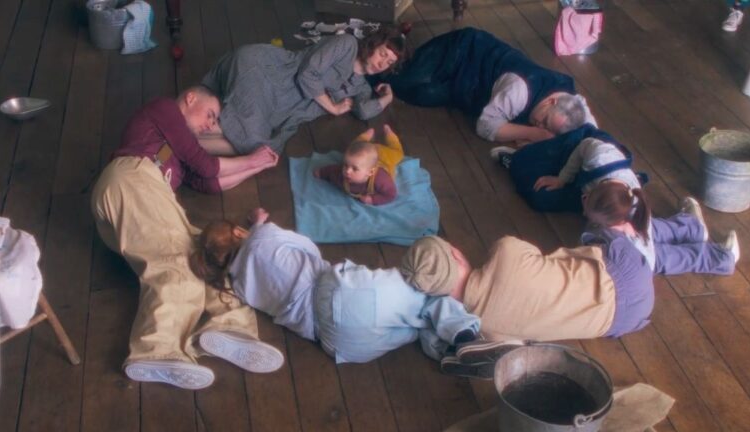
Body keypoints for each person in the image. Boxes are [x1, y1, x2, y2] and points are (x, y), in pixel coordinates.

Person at [398, 197, 739, 377]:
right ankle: (691, 230)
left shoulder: (486, 327)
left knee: (640, 260)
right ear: (456, 253)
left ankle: (708, 251)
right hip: (625, 278)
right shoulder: (504, 253)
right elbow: (531, 252)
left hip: (623, 322)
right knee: (610, 232)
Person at [91, 86, 284, 391]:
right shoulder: (164, 109)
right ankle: (157, 348)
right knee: (174, 262)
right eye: (211, 115)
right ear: (191, 98)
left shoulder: (180, 154)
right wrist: (250, 159)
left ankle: (232, 326)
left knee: (207, 254)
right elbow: (206, 165)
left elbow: (209, 182)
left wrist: (255, 166)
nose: (210, 125)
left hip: (149, 199)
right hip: (131, 180)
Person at [189, 208, 481, 364]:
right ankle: (465, 332)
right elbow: (308, 249)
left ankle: (443, 349)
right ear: (239, 232)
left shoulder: (238, 285)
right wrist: (260, 224)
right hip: (331, 294)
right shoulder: (261, 235)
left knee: (415, 326)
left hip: (338, 345)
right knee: (420, 298)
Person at [200, 28, 406, 156]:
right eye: (382, 54)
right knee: (248, 134)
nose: (382, 63)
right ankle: (184, 139)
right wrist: (333, 108)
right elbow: (307, 75)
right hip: (268, 73)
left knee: (261, 149)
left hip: (283, 106)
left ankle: (186, 144)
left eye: (389, 62)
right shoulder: (347, 44)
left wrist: (387, 98)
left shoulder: (360, 86)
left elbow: (363, 111)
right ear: (373, 45)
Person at [376, 27, 595, 145]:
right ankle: (377, 52)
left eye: (549, 129)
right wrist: (532, 133)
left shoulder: (572, 102)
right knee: (407, 79)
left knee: (420, 95)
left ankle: (400, 52)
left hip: (464, 89)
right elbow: (485, 126)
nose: (542, 126)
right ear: (551, 101)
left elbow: (589, 128)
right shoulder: (519, 89)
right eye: (545, 121)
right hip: (461, 50)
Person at [581, 181, 739, 277]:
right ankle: (700, 236)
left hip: (639, 256)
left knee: (667, 248)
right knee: (659, 241)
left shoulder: (622, 228)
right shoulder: (626, 213)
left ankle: (715, 250)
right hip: (636, 254)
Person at [500, 123, 643, 212]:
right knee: (524, 163)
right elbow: (584, 146)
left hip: (589, 185)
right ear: (587, 195)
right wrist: (562, 179)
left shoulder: (632, 207)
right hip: (582, 147)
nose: (584, 215)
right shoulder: (599, 157)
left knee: (540, 197)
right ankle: (518, 158)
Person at [314, 125, 404, 205]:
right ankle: (365, 137)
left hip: (385, 157)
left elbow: (391, 194)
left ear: (370, 172)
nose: (347, 171)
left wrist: (373, 200)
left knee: (398, 154)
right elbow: (331, 170)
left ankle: (390, 134)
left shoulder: (381, 179)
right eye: (346, 165)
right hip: (363, 154)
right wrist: (321, 172)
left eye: (354, 169)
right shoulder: (341, 172)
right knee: (354, 147)